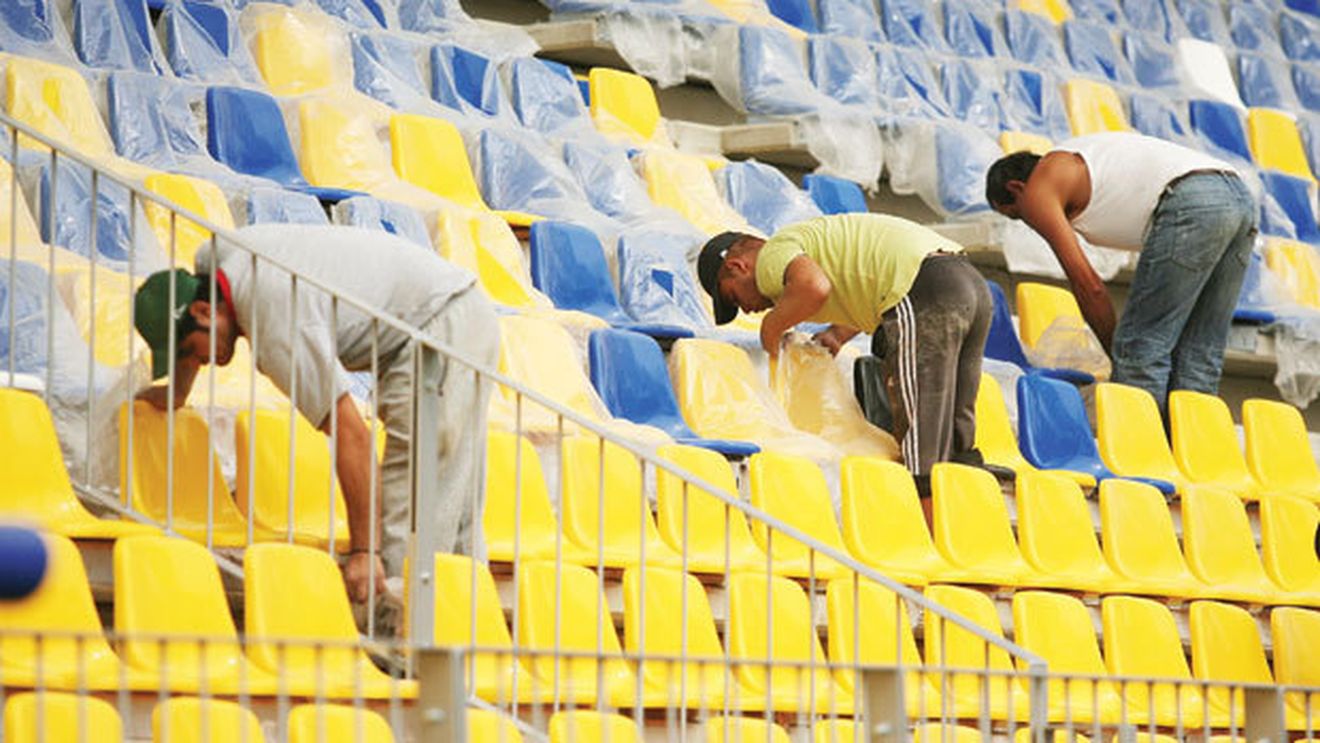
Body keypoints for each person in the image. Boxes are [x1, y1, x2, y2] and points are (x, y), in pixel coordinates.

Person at [132, 224, 500, 605]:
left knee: (416, 489)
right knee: (456, 503)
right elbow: (193, 323)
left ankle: (398, 640)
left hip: (438, 326)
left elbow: (352, 434)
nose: (198, 361)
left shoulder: (274, 317)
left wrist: (364, 552)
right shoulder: (220, 263)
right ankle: (468, 628)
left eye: (190, 352)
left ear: (205, 311)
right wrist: (177, 392)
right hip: (457, 309)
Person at [697, 213, 993, 491]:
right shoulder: (807, 247)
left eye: (734, 297)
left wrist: (770, 329)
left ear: (738, 267)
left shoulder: (773, 254)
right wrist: (838, 334)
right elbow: (864, 287)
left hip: (924, 286)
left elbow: (814, 287)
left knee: (922, 430)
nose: (746, 309)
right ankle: (963, 512)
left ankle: (929, 530)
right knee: (957, 423)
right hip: (967, 280)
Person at [984, 132, 1258, 413]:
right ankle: (1188, 452)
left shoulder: (1038, 189)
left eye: (1016, 215)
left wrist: (1121, 355)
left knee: (1139, 347)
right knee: (1198, 353)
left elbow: (1089, 287)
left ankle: (1141, 453)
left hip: (1194, 200)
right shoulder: (1083, 160)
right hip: (1240, 198)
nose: (1029, 222)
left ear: (1017, 188)